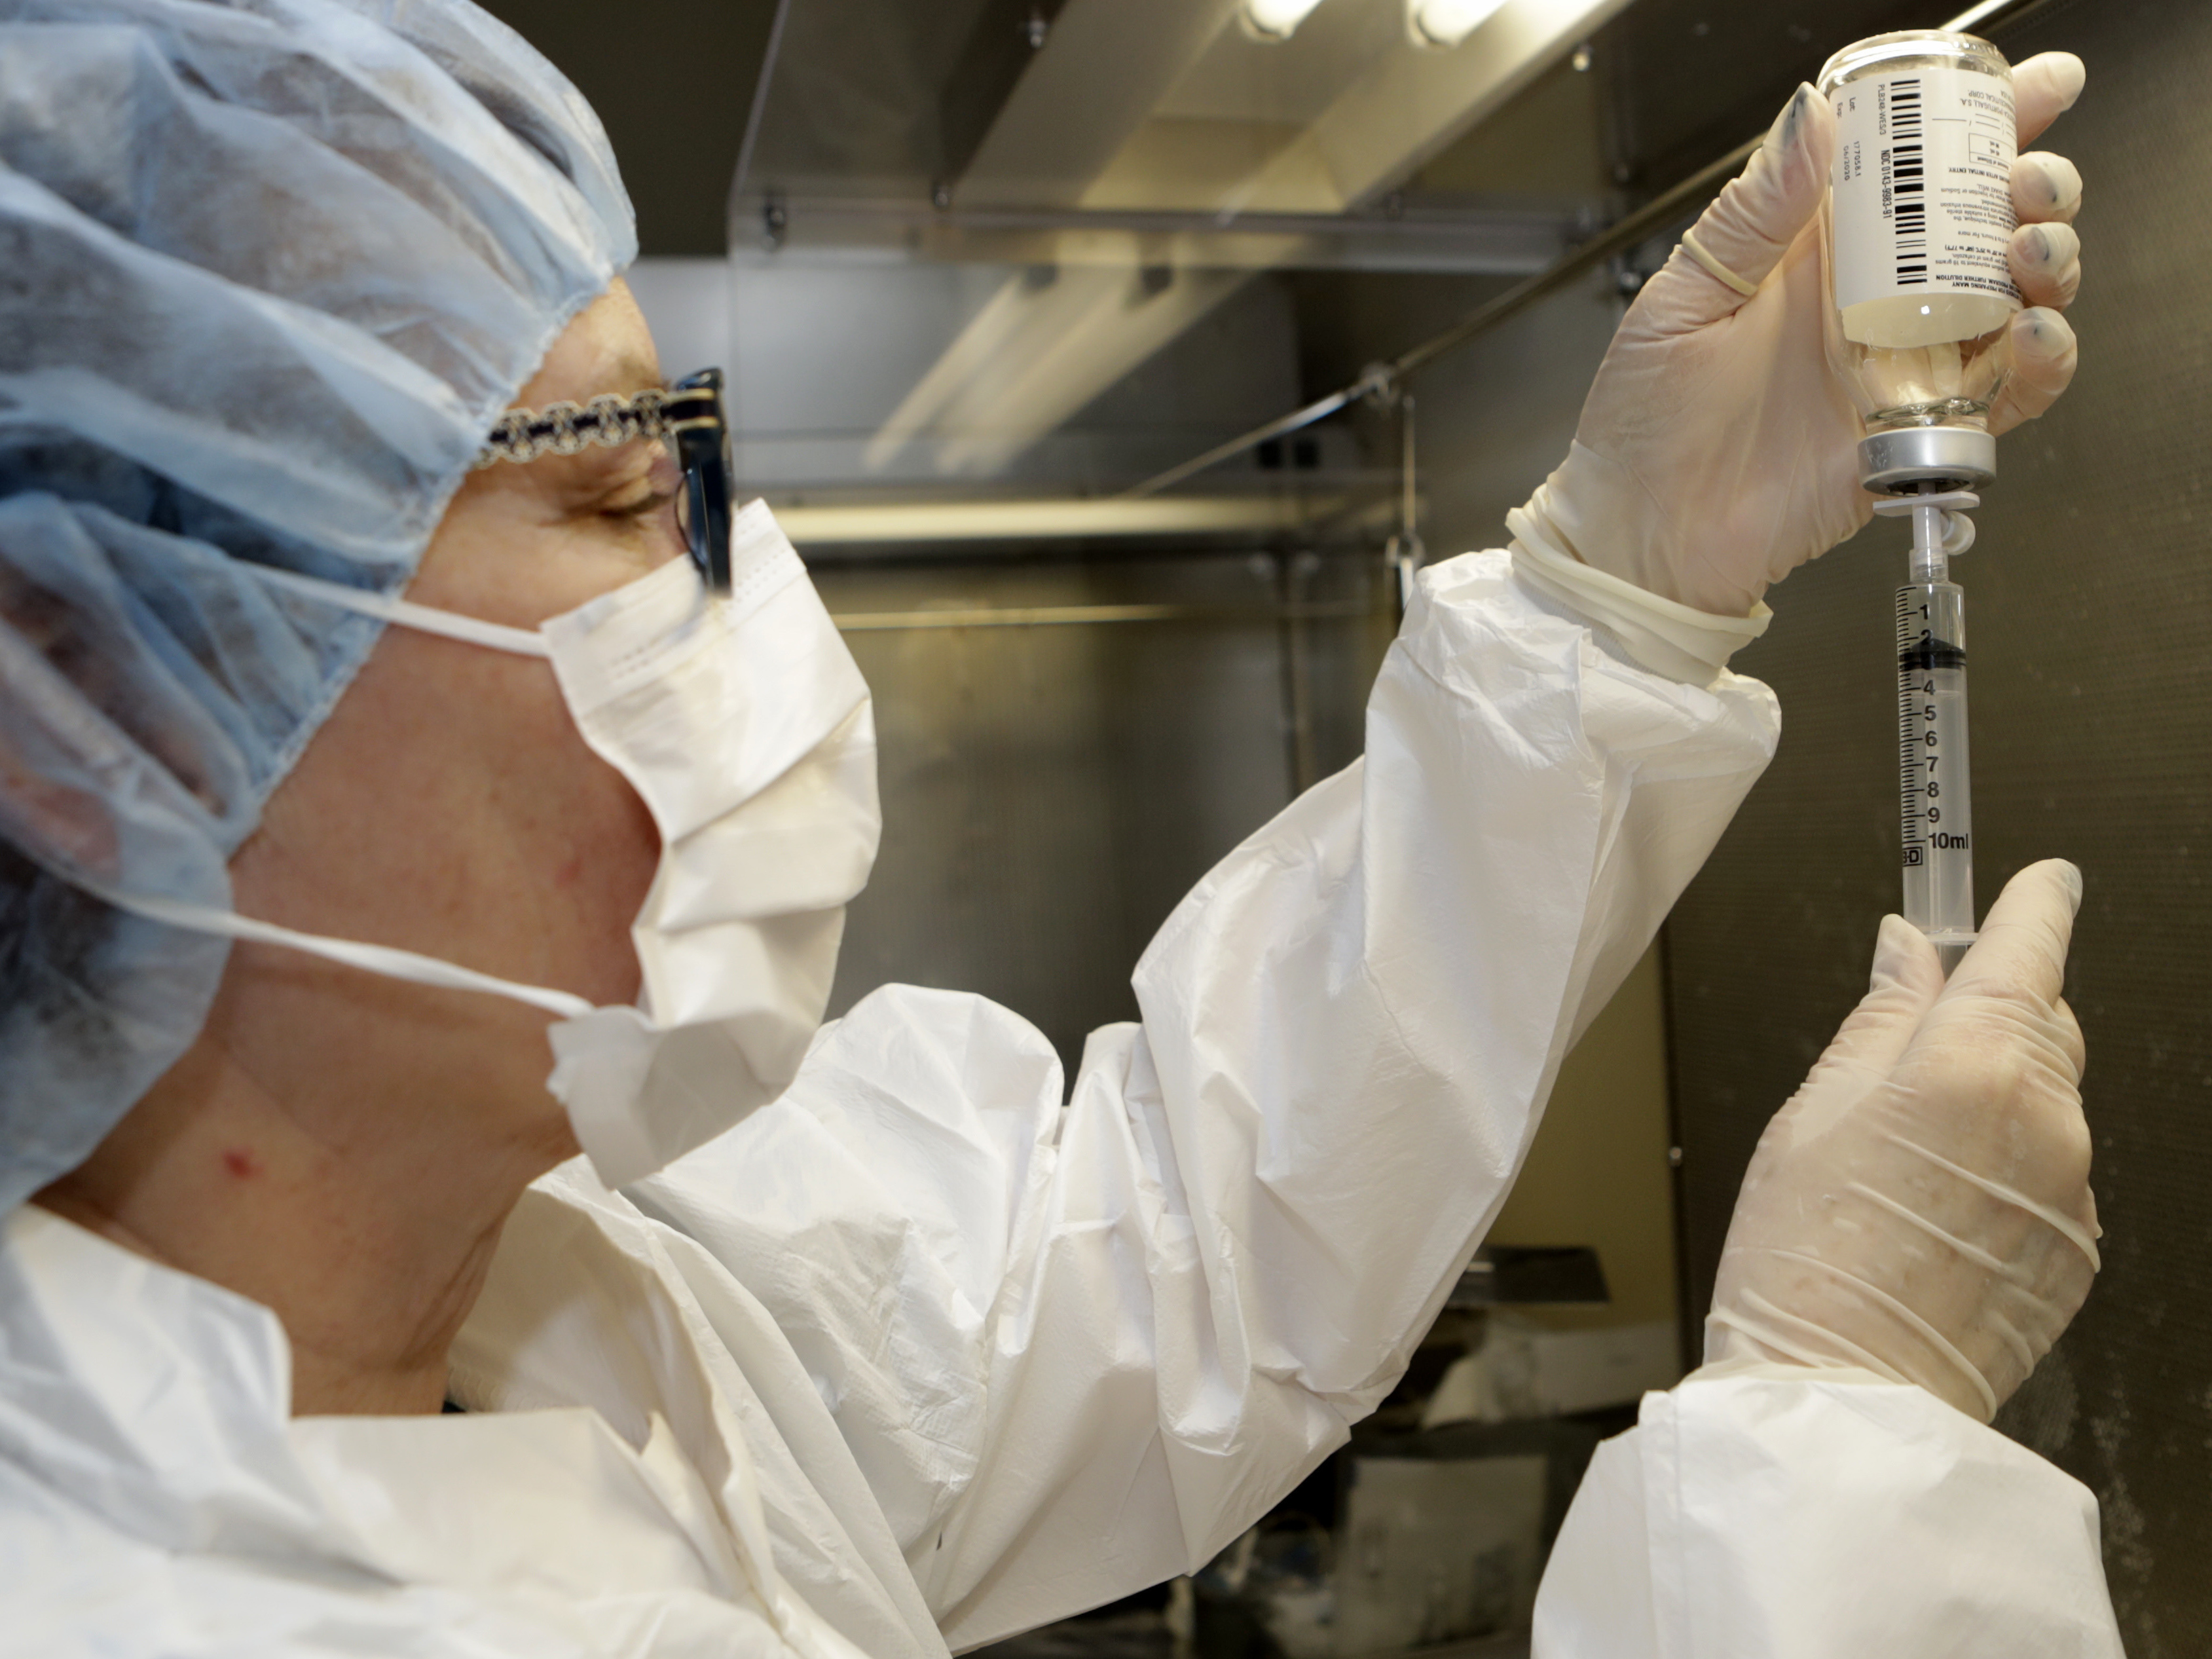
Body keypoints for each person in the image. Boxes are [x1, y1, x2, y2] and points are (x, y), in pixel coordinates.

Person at [0, 4, 2100, 1655]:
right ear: (96, 706)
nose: (747, 591)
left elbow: (1165, 1251)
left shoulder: (580, 1285)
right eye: (632, 499)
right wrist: (1838, 1481)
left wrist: (1618, 587)